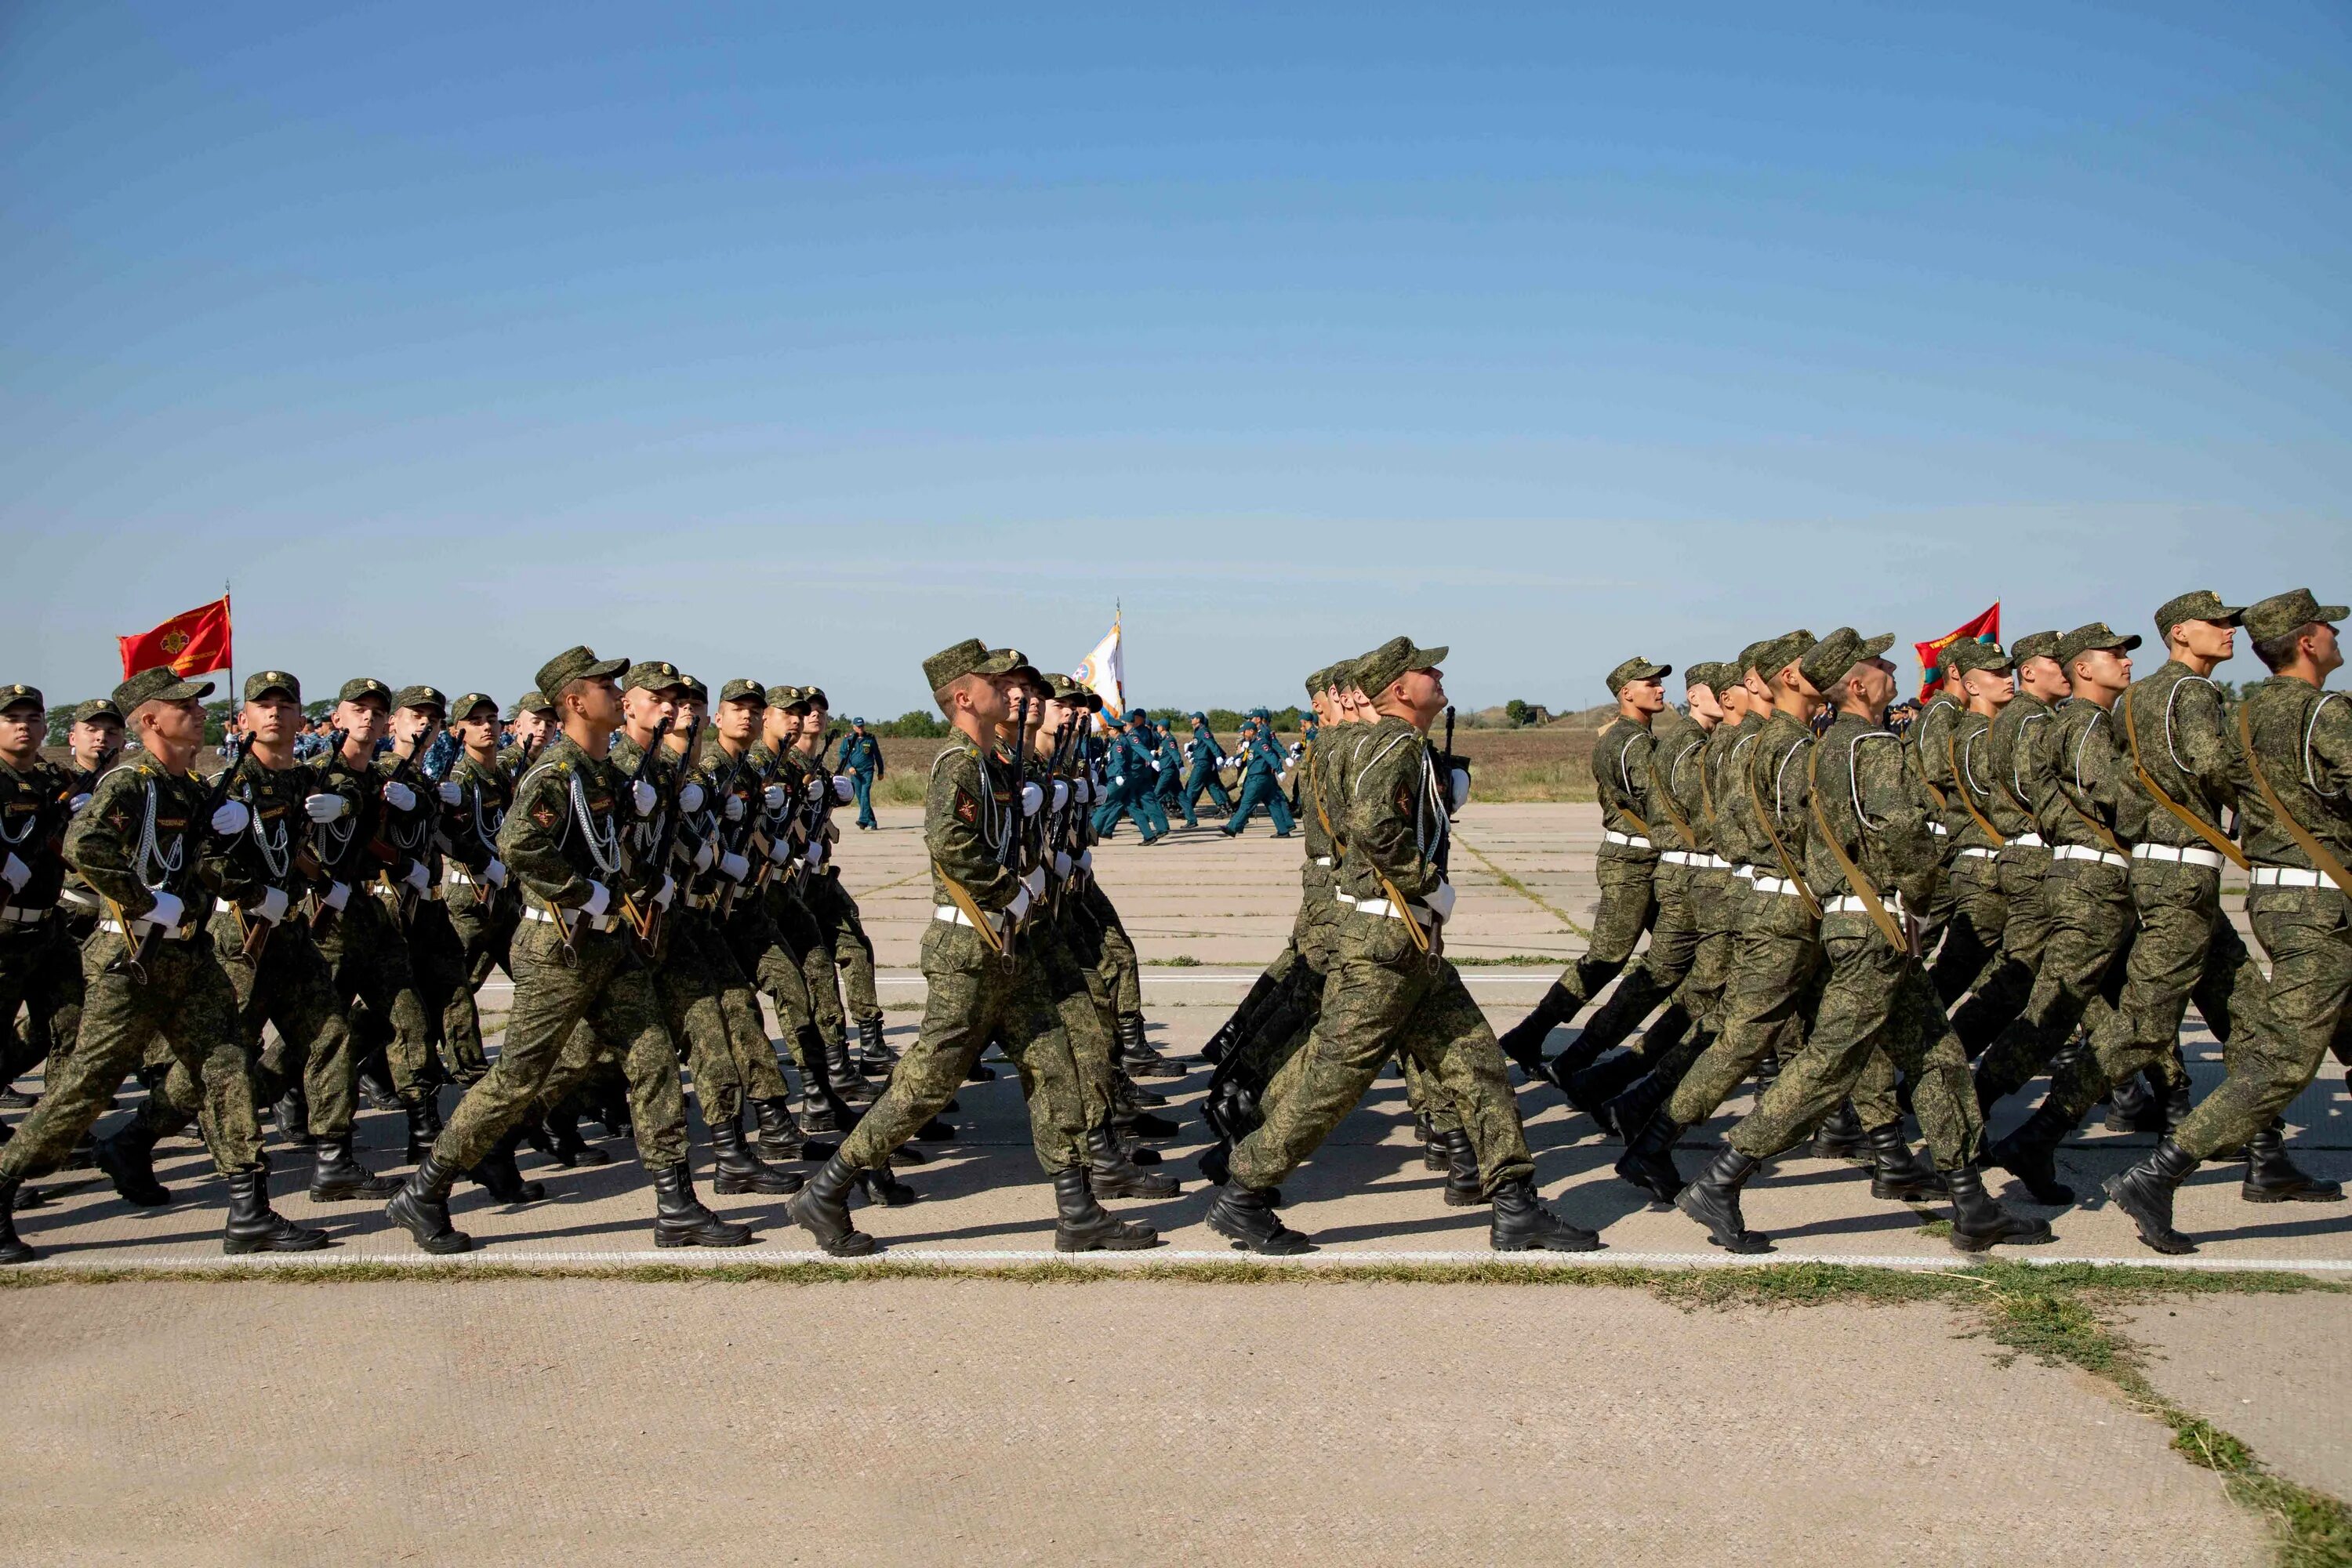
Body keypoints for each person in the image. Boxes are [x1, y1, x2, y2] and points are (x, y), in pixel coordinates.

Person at [1204, 637, 1598, 1254]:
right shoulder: (1397, 744)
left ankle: (1515, 1204)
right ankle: (1244, 1193)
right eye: (1426, 671)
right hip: (1386, 944)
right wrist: (1428, 884)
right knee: (1333, 1079)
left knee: (1479, 1065)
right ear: (1398, 690)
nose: (1438, 676)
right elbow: (1373, 827)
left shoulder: (1383, 743)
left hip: (1406, 945)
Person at [1668, 630, 2052, 1254]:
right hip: (1875, 926)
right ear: (1854, 685)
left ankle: (1971, 1202)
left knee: (1940, 1057)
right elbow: (1904, 834)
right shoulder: (1871, 746)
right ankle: (1723, 1177)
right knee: (1829, 1064)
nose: (1889, 667)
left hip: (1860, 922)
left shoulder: (1822, 749)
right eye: (1876, 663)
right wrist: (1919, 896)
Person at [789, 638, 1161, 1256]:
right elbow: (950, 843)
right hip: (970, 949)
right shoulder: (957, 764)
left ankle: (1079, 1211)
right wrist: (1011, 890)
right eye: (1000, 683)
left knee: (1055, 1067)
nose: (1016, 691)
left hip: (1012, 947)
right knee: (926, 1084)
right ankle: (827, 1189)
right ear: (964, 697)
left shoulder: (995, 763)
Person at [385, 644, 753, 1254]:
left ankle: (677, 1205)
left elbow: (610, 848)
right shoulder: (557, 772)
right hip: (559, 946)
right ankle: (425, 1190)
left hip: (608, 948)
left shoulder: (604, 772)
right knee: (516, 1079)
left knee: (654, 1059)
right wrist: (588, 894)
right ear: (576, 702)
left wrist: (637, 872)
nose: (616, 691)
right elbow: (518, 844)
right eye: (605, 685)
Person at [0, 668, 325, 1263]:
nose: (199, 713)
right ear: (150, 721)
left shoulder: (190, 787)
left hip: (190, 954)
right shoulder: (132, 782)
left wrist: (234, 864)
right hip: (133, 960)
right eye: (184, 707)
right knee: (86, 1086)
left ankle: (249, 1211)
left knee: (227, 1067)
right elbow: (83, 846)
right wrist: (146, 901)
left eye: (198, 706)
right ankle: (2, 1182)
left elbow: (199, 863)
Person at [2103, 588, 2350, 1251]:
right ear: (2307, 641)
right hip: (2318, 904)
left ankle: (2266, 1162)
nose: (2334, 636)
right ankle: (2157, 1174)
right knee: (2282, 1058)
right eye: (2327, 628)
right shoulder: (2324, 711)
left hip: (2282, 895)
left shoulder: (2244, 715)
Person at [107, 671, 401, 1205]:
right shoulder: (228, 784)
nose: (274, 714)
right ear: (244, 718)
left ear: (299, 717)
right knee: (220, 1058)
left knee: (329, 1033)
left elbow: (347, 795)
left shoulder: (301, 778)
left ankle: (334, 1161)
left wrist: (346, 813)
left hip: (290, 935)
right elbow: (199, 859)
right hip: (239, 938)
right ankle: (134, 1138)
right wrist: (249, 890)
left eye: (285, 705)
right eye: (262, 705)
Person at [1495, 655, 1671, 1079]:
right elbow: (1660, 805)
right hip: (1632, 861)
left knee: (1677, 957)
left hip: (1643, 857)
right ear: (1626, 692)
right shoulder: (1630, 743)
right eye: (1650, 684)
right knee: (1608, 957)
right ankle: (1532, 1034)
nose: (1661, 689)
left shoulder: (1633, 737)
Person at [0, 684, 85, 1111]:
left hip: (50, 925)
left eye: (33, 719)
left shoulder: (54, 780)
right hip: (5, 927)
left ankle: (58, 1125)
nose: (24, 727)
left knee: (69, 1024)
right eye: (12, 719)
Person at [1222, 713, 1296, 838]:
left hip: (1258, 779)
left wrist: (1279, 770)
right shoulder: (1252, 743)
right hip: (1262, 779)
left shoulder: (1260, 743)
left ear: (1251, 731)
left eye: (1245, 732)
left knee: (1247, 803)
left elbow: (1271, 756)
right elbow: (1249, 754)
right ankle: (1283, 830)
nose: (1243, 734)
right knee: (1273, 804)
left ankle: (1232, 828)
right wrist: (1234, 758)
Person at [1183, 711, 1236, 820]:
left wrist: (1218, 756)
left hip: (1203, 763)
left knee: (1192, 786)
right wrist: (1190, 748)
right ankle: (1225, 808)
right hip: (1204, 762)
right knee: (1213, 786)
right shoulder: (1198, 732)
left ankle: (1187, 811)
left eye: (1193, 718)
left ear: (1198, 719)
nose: (1191, 720)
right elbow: (1200, 746)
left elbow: (1211, 744)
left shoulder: (1203, 731)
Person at [835, 717, 884, 830]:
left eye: (862, 726)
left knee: (865, 794)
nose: (860, 728)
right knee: (860, 796)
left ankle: (863, 820)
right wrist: (849, 767)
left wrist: (881, 771)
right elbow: (843, 755)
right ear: (854, 727)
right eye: (858, 726)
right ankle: (872, 821)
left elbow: (877, 755)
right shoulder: (848, 739)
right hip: (855, 772)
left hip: (867, 771)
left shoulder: (870, 739)